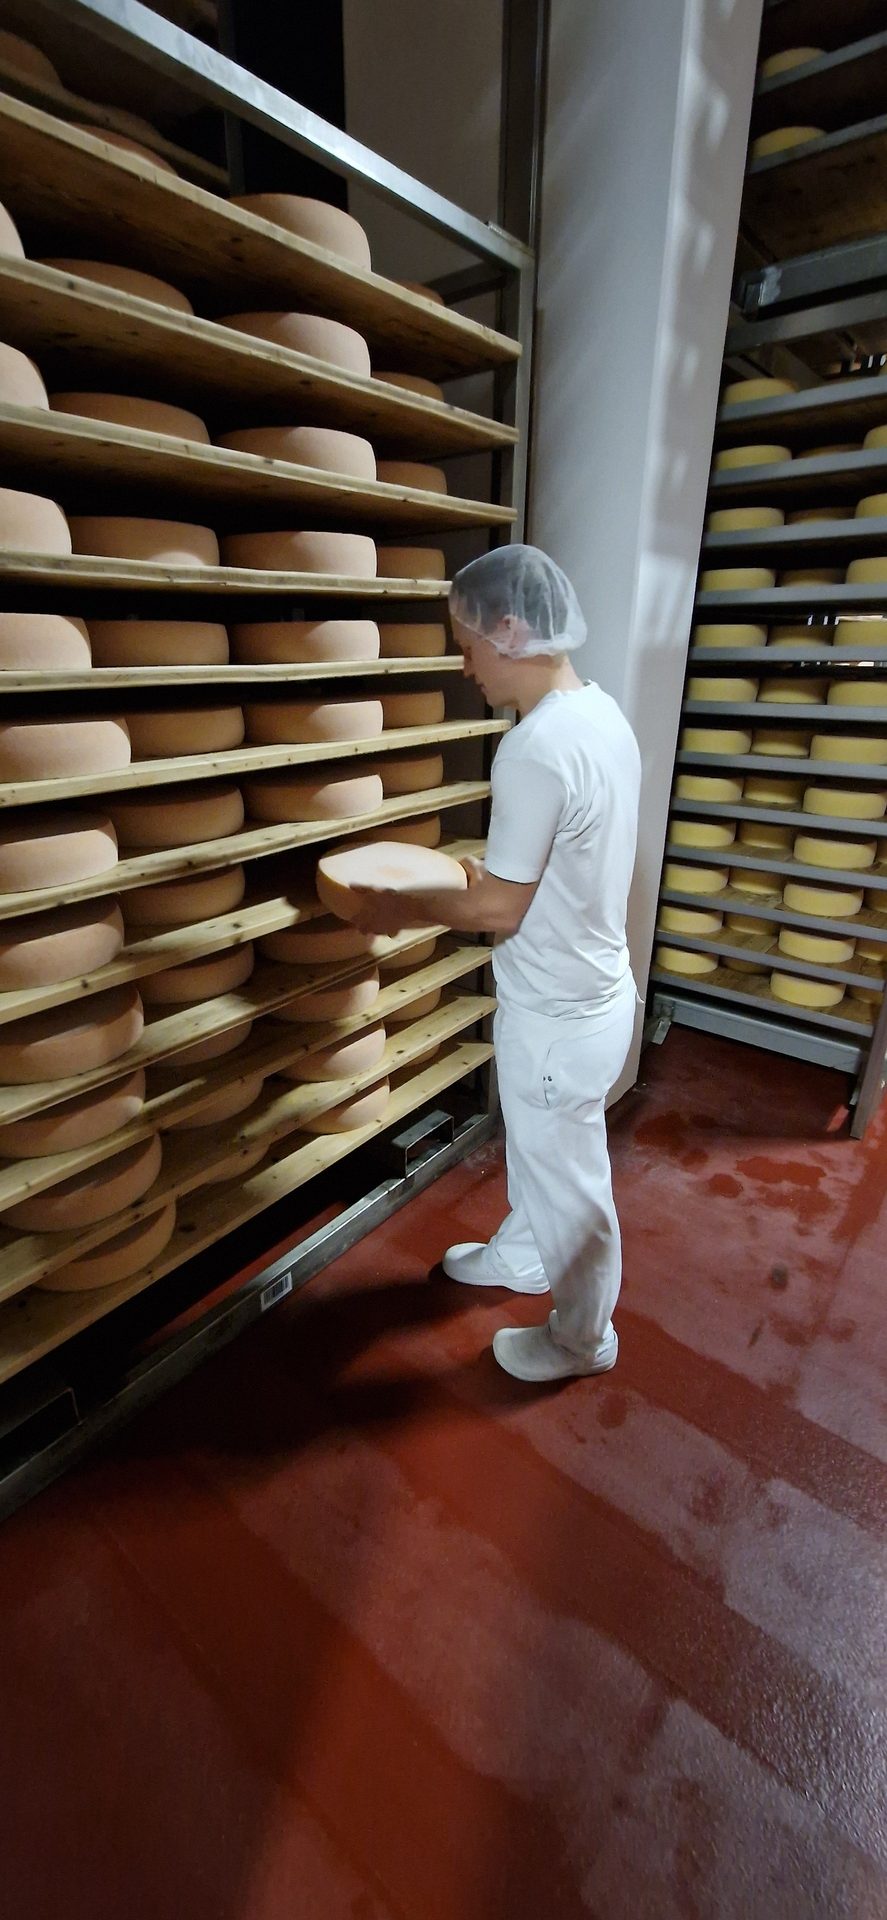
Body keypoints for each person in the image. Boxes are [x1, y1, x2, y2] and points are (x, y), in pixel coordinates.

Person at [349, 543, 641, 1383]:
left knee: (574, 1189)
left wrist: (396, 904)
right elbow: (555, 865)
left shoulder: (535, 748)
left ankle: (583, 1340)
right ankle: (522, 1257)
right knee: (545, 1161)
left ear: (510, 630)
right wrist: (485, 880)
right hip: (589, 992)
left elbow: (495, 910)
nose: (463, 661)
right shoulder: (600, 714)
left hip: (557, 1016)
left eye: (468, 640)